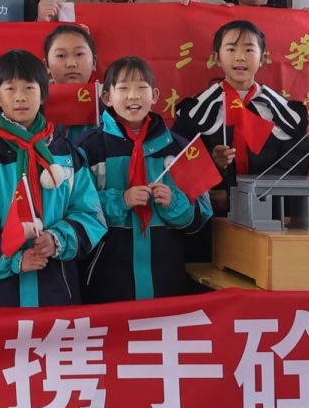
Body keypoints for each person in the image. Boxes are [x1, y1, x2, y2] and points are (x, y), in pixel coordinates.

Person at [0, 49, 105, 307]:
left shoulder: (65, 154)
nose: (20, 97)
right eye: (10, 89)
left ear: (43, 94)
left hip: (57, 289)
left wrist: (57, 239)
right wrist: (14, 260)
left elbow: (91, 214)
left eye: (29, 87)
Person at [78, 56, 210, 302]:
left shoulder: (180, 149)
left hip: (166, 277)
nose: (133, 96)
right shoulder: (88, 148)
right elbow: (76, 210)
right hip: (107, 278)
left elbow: (201, 216)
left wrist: (174, 204)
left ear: (155, 95)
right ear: (107, 97)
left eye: (141, 87)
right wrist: (121, 200)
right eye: (123, 88)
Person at [173, 19, 309, 197]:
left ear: (263, 58)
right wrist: (214, 164)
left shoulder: (286, 113)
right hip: (212, 209)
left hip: (270, 208)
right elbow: (179, 164)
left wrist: (246, 198)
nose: (240, 57)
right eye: (231, 49)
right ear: (217, 58)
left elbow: (296, 166)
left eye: (249, 50)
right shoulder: (194, 111)